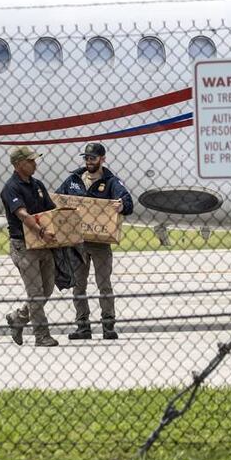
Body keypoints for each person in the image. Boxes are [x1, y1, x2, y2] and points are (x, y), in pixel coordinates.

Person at [56, 142, 134, 341]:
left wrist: (121, 204)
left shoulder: (111, 182)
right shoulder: (73, 180)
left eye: (93, 158)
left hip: (100, 242)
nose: (89, 161)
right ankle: (83, 326)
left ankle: (108, 325)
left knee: (104, 285)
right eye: (87, 158)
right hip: (78, 242)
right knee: (78, 286)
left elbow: (128, 202)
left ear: (102, 159)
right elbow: (56, 199)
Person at [0, 146, 60, 347]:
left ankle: (18, 318)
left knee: (48, 289)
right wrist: (42, 231)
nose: (35, 163)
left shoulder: (38, 185)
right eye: (30, 161)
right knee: (35, 292)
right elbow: (22, 214)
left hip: (43, 244)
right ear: (18, 165)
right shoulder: (11, 188)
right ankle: (41, 335)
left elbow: (51, 210)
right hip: (24, 246)